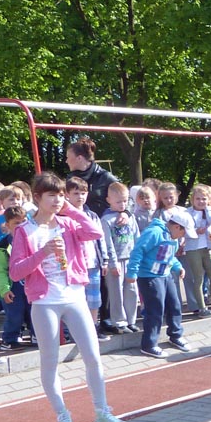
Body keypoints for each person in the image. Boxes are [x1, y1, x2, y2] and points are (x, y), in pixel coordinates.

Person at [9, 172, 129, 422]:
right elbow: (16, 272)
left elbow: (95, 232)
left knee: (93, 356)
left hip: (74, 296)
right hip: (45, 301)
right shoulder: (24, 231)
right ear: (38, 198)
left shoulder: (68, 224)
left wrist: (71, 211)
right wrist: (43, 252)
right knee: (50, 360)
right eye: (52, 195)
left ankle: (102, 410)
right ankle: (63, 415)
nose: (57, 199)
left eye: (61, 194)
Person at [66, 135, 120, 334]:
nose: (66, 160)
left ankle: (104, 319)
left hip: (99, 232)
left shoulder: (105, 177)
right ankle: (78, 325)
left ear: (80, 158)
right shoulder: (70, 180)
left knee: (101, 281)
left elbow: (123, 197)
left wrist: (123, 213)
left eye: (68, 156)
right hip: (77, 234)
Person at [126, 207, 195, 359]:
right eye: (183, 232)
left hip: (165, 274)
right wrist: (132, 272)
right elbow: (138, 251)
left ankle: (175, 335)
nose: (184, 236)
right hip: (149, 277)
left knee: (174, 304)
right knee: (155, 309)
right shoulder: (154, 233)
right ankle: (149, 344)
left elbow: (169, 257)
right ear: (177, 227)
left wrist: (178, 267)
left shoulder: (173, 238)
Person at [65, 176, 111, 340]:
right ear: (67, 195)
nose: (80, 197)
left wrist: (104, 260)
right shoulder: (64, 216)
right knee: (75, 301)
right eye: (76, 193)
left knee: (93, 299)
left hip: (92, 264)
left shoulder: (92, 216)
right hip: (74, 267)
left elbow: (100, 239)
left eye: (83, 193)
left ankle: (93, 328)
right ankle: (73, 332)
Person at [0, 206, 35, 351]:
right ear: (7, 225)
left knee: (34, 311)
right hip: (12, 285)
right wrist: (4, 290)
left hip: (30, 284)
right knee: (14, 314)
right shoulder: (3, 247)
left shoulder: (31, 241)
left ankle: (36, 334)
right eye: (17, 223)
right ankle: (9, 339)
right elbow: (0, 271)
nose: (21, 225)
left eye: (24, 221)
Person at [100, 182, 140, 333]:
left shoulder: (131, 217)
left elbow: (137, 238)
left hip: (130, 259)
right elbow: (107, 243)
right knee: (116, 292)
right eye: (118, 202)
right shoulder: (106, 220)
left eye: (125, 201)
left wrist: (137, 259)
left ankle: (131, 320)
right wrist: (112, 262)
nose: (122, 204)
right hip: (116, 261)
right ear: (108, 200)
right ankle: (119, 321)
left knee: (131, 290)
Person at [183, 184, 211, 316]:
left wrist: (208, 209)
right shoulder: (187, 213)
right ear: (193, 199)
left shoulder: (209, 211)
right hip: (193, 248)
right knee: (198, 278)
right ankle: (202, 307)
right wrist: (195, 231)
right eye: (198, 199)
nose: (201, 202)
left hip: (207, 247)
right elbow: (184, 230)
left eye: (204, 199)